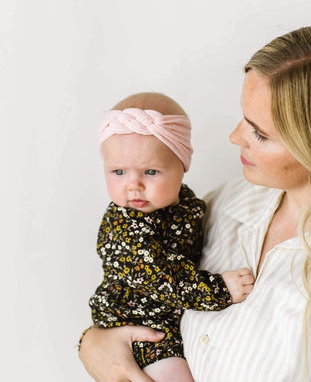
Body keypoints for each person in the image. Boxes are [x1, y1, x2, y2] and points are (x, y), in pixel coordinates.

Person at [79, 23, 311, 381]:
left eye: (259, 133)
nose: (234, 137)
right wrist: (94, 345)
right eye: (244, 119)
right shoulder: (220, 206)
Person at [83, 92, 254, 382]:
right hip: (137, 324)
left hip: (170, 320)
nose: (133, 186)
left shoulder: (189, 204)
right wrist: (220, 289)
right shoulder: (126, 227)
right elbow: (163, 277)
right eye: (118, 172)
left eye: (150, 172)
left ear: (182, 166)